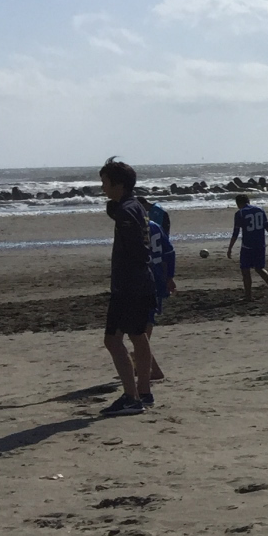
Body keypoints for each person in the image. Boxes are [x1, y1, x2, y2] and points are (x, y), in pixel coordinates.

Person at [97, 158, 157, 417]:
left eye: (105, 183)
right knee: (138, 335)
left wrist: (126, 278)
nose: (102, 188)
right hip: (142, 281)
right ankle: (144, 391)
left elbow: (137, 249)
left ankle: (132, 398)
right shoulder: (135, 206)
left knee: (113, 340)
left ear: (118, 184)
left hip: (130, 284)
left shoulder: (127, 211)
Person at [138, 191, 176, 399]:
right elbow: (169, 252)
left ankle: (149, 366)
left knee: (144, 325)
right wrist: (170, 277)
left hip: (148, 279)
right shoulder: (156, 225)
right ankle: (146, 364)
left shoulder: (140, 227)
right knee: (146, 323)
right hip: (158, 277)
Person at [225, 193, 268, 300]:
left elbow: (235, 233)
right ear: (248, 201)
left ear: (238, 203)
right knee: (259, 268)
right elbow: (267, 226)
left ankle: (248, 296)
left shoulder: (240, 213)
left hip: (247, 246)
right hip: (260, 244)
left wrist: (230, 248)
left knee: (245, 270)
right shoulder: (260, 210)